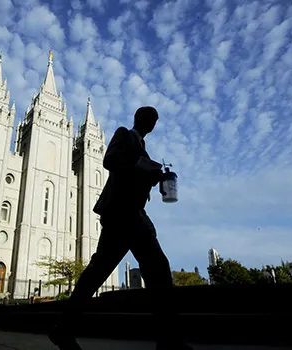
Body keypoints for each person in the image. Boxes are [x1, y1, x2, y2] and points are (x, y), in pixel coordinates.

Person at [48, 106, 192, 350]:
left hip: (133, 215)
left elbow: (134, 175)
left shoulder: (143, 149)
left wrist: (153, 178)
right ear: (139, 119)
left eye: (155, 120)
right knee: (142, 270)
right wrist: (144, 167)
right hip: (122, 214)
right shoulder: (124, 134)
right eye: (149, 118)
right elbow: (110, 160)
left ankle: (64, 328)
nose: (152, 123)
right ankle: (168, 340)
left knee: (126, 270)